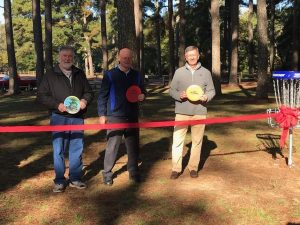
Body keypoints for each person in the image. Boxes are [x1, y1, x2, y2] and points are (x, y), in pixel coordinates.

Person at [37, 46, 94, 193]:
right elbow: (42, 96)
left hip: (77, 118)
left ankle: (75, 178)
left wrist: (84, 101)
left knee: (77, 148)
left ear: (73, 58)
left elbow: (89, 92)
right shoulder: (50, 75)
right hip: (58, 117)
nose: (67, 58)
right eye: (64, 56)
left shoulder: (79, 73)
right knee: (58, 149)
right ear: (59, 57)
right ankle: (60, 180)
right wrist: (57, 105)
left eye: (70, 56)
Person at [97, 48, 146, 186]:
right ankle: (107, 174)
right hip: (115, 116)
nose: (127, 60)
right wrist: (102, 114)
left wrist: (143, 96)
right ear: (119, 58)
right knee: (112, 146)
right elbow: (102, 96)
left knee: (133, 146)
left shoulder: (136, 75)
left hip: (132, 116)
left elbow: (142, 91)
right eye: (124, 58)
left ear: (132, 59)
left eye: (129, 58)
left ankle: (134, 172)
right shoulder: (110, 74)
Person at [169, 46, 215, 179]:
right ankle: (176, 169)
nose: (192, 57)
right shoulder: (179, 72)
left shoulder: (206, 72)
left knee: (197, 142)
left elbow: (212, 90)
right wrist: (179, 95)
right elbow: (172, 91)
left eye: (194, 55)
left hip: (199, 112)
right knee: (177, 142)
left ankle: (193, 167)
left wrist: (207, 97)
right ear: (185, 56)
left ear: (198, 55)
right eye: (189, 55)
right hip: (181, 112)